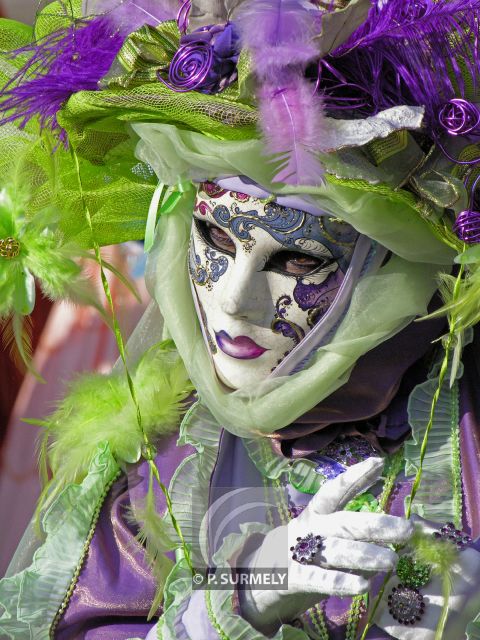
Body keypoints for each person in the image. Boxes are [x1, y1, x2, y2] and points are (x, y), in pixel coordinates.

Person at [1, 1, 480, 639]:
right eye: (214, 238)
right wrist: (236, 600)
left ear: (390, 270)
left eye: (296, 258)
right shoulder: (167, 450)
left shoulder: (459, 431)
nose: (232, 301)